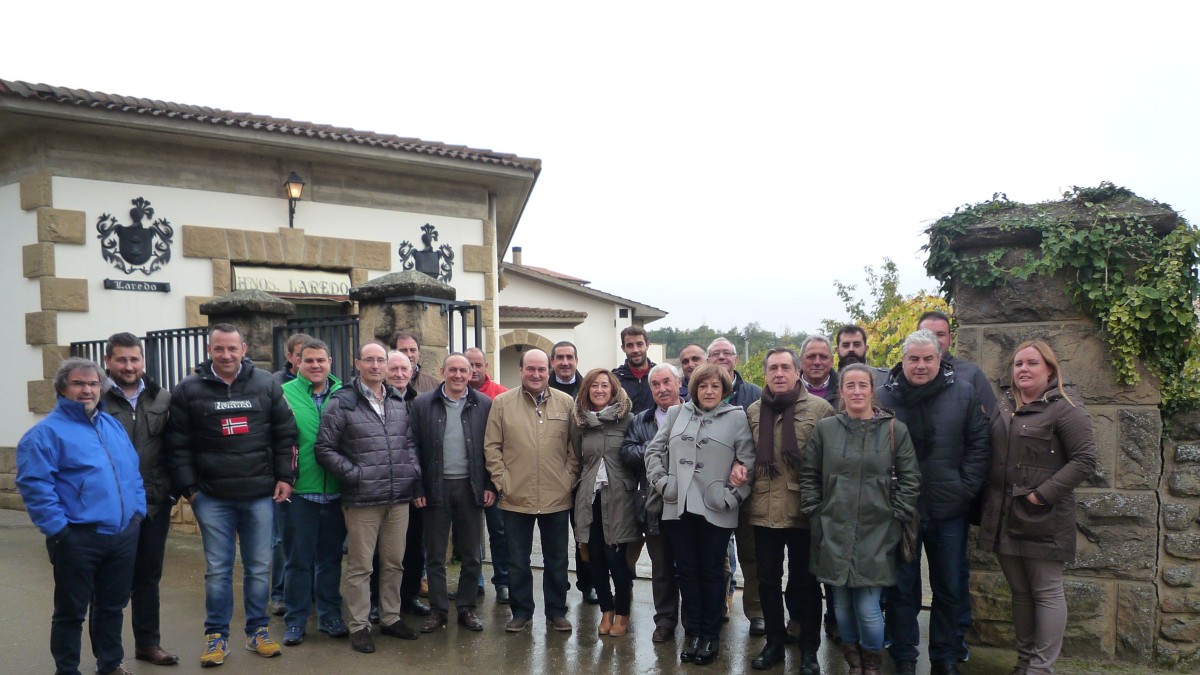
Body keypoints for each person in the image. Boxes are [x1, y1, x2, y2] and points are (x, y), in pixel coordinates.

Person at [165, 324, 297, 667]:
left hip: (259, 495)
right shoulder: (188, 389)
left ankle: (258, 632)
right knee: (218, 570)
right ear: (209, 350)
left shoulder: (266, 383)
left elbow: (285, 434)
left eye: (232, 349)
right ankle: (216, 637)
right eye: (219, 349)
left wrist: (286, 477)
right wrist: (190, 491)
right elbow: (177, 444)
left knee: (258, 567)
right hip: (212, 497)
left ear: (244, 348)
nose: (226, 355)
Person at [17, 357, 146, 675]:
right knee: (71, 612)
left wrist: (137, 513)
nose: (86, 390)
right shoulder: (45, 434)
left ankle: (110, 664)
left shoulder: (111, 424)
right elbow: (35, 486)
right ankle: (67, 669)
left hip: (122, 534)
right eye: (78, 383)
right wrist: (60, 530)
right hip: (76, 537)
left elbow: (131, 472)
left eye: (92, 383)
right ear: (62, 388)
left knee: (112, 607)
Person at [978, 341, 1096, 675]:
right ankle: (1025, 659)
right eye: (1018, 364)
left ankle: (1041, 669)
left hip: (1043, 516)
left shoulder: (1065, 406)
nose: (1023, 369)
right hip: (1004, 515)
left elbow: (1085, 459)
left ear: (1050, 369)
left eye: (1032, 363)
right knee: (1020, 592)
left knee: (1046, 592)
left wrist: (1041, 495)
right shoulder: (1003, 405)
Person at [876, 330, 989, 675]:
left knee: (949, 586)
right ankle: (905, 654)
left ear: (940, 359)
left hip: (947, 509)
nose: (921, 365)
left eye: (928, 358)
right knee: (901, 589)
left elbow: (979, 445)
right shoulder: (884, 398)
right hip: (900, 512)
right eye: (914, 358)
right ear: (903, 360)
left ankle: (944, 655)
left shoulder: (964, 392)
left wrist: (963, 489)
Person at [801, 363, 921, 675]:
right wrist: (815, 511)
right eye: (849, 385)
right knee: (840, 606)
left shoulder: (894, 430)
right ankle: (853, 662)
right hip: (833, 528)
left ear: (872, 390)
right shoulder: (826, 430)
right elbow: (810, 475)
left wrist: (896, 514)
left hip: (878, 531)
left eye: (862, 386)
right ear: (840, 392)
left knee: (868, 608)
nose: (856, 391)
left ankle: (872, 665)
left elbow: (910, 479)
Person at [315, 341, 423, 654]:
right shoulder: (343, 402)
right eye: (370, 361)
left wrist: (411, 469)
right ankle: (360, 625)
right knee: (361, 567)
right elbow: (324, 448)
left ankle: (390, 617)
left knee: (394, 562)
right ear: (358, 364)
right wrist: (356, 475)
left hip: (397, 497)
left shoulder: (397, 399)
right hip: (362, 499)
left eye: (381, 361)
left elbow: (410, 442)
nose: (376, 366)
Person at [645, 363, 756, 666]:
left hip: (716, 508)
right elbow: (653, 452)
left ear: (724, 390)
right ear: (693, 388)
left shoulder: (736, 417)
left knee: (712, 572)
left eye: (715, 387)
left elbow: (748, 462)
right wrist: (664, 484)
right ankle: (693, 633)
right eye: (703, 386)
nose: (709, 391)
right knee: (687, 572)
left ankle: (711, 635)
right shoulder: (676, 414)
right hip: (678, 507)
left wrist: (731, 497)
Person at [743, 348, 835, 672]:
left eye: (785, 367)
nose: (779, 373)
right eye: (773, 368)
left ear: (798, 372)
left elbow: (830, 461)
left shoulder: (821, 409)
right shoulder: (754, 411)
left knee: (806, 583)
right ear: (765, 373)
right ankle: (774, 644)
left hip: (804, 510)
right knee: (767, 580)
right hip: (764, 509)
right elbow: (746, 454)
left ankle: (809, 649)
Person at [917, 310, 997, 664]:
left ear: (951, 338)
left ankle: (952, 646)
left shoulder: (970, 376)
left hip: (951, 500)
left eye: (941, 334)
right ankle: (903, 647)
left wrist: (966, 488)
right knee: (903, 582)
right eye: (927, 334)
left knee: (951, 580)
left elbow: (985, 435)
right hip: (909, 503)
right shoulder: (905, 374)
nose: (934, 340)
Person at [484, 348, 580, 633]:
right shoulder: (502, 403)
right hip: (516, 497)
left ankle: (556, 612)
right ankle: (521, 612)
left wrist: (567, 479)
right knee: (517, 560)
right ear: (521, 370)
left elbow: (575, 449)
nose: (536, 374)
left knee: (557, 560)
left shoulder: (565, 403)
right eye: (530, 369)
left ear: (548, 370)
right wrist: (503, 482)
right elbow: (492, 447)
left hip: (556, 497)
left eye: (541, 369)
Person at [101, 332, 179, 666]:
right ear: (108, 362)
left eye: (135, 359)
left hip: (153, 503)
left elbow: (176, 448)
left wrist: (172, 491)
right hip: (110, 508)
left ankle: (148, 643)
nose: (129, 366)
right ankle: (109, 656)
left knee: (148, 578)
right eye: (122, 359)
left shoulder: (163, 398)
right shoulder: (95, 399)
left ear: (143, 361)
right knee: (109, 583)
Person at [409, 353, 495, 633]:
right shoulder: (423, 404)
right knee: (435, 554)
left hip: (471, 487)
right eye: (453, 370)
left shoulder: (484, 404)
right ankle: (438, 610)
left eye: (464, 370)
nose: (458, 375)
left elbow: (493, 448)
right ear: (442, 371)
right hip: (436, 486)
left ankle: (467, 609)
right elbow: (413, 448)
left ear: (471, 374)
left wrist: (491, 485)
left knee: (471, 554)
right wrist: (418, 486)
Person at [279, 339, 348, 646]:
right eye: (309, 361)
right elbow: (276, 439)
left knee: (331, 559)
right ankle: (295, 620)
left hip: (337, 492)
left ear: (330, 362)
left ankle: (330, 616)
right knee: (297, 560)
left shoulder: (345, 393)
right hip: (299, 492)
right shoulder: (283, 394)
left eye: (321, 360)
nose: (316, 365)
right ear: (298, 363)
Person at [570, 368, 637, 637]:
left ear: (613, 390)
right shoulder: (580, 423)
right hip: (589, 499)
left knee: (616, 558)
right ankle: (606, 610)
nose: (599, 390)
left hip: (619, 499)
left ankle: (622, 613)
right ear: (586, 390)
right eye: (594, 386)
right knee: (594, 558)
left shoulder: (628, 420)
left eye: (604, 386)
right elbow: (576, 459)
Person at [621, 362, 685, 643]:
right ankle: (665, 620)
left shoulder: (694, 413)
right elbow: (628, 451)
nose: (662, 389)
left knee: (692, 566)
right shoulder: (641, 420)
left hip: (689, 504)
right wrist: (658, 448)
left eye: (667, 382)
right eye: (655, 385)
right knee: (661, 568)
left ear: (679, 384)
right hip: (655, 503)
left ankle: (695, 620)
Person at [707, 336, 765, 634]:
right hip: (711, 490)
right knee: (716, 553)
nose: (721, 357)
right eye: (715, 353)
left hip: (745, 490)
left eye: (726, 353)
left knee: (749, 552)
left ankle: (755, 611)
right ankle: (718, 605)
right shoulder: (701, 395)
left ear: (736, 359)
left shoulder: (755, 395)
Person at [382, 346, 432, 619]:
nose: (399, 374)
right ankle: (379, 601)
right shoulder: (374, 400)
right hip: (384, 488)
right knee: (384, 551)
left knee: (414, 547)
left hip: (415, 487)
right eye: (394, 369)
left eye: (404, 369)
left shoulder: (420, 401)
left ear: (412, 372)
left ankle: (409, 596)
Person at [270, 331, 311, 616]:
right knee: (283, 540)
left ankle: (309, 593)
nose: (306, 361)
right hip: (285, 478)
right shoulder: (276, 386)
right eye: (301, 356)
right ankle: (280, 593)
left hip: (315, 478)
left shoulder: (329, 389)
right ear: (291, 357)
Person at [614, 326, 657, 414]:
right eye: (630, 345)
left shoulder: (659, 375)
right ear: (623, 348)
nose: (635, 350)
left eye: (639, 344)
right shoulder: (615, 379)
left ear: (647, 345)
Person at [800, 335, 838, 406]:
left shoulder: (844, 391)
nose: (817, 362)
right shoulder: (787, 390)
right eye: (811, 357)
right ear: (801, 360)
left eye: (823, 357)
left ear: (832, 361)